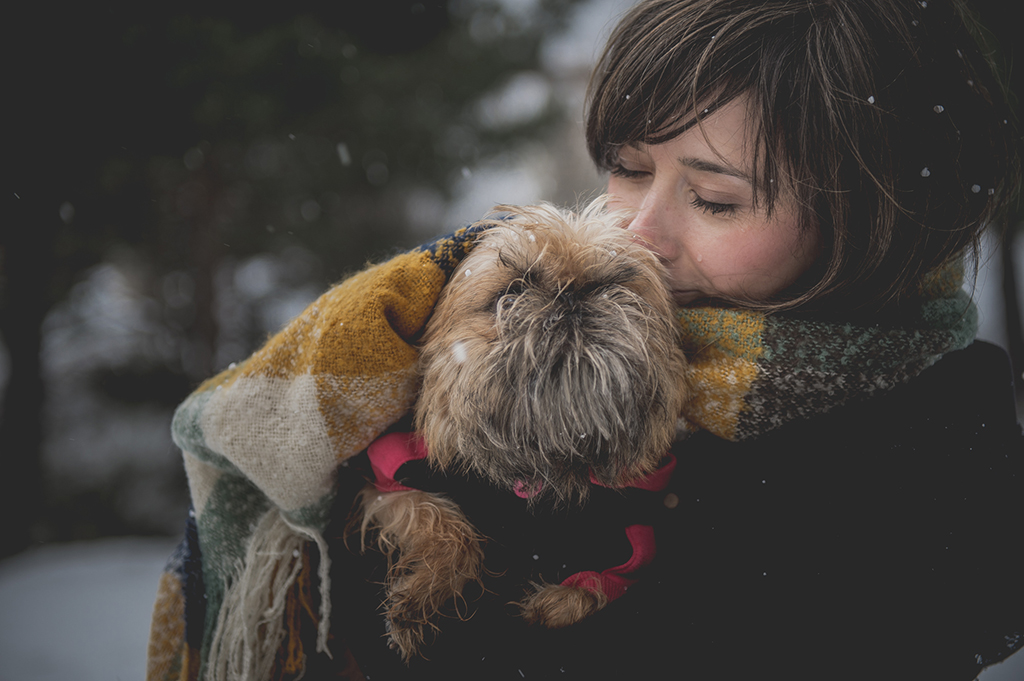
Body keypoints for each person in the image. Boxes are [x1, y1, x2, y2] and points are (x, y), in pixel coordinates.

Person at [146, 1, 1023, 680]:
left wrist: (461, 610)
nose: (638, 230)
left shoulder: (932, 461)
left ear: (875, 225)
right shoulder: (487, 332)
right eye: (629, 168)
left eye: (716, 200)